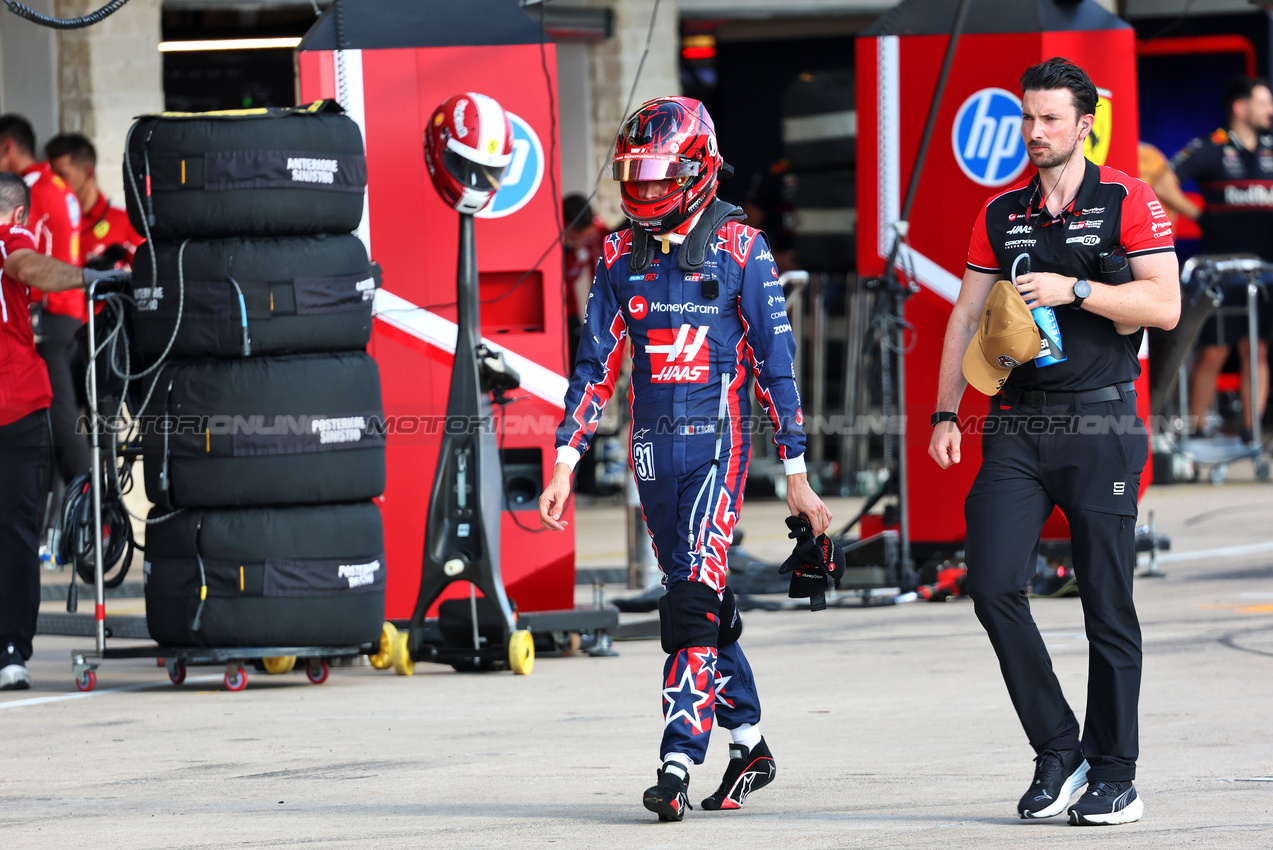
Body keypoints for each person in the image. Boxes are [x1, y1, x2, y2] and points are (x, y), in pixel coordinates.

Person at [538, 96, 831, 821]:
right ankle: (751, 742)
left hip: (715, 448)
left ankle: (675, 760)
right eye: (633, 173)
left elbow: (776, 365)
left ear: (697, 169)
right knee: (693, 598)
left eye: (657, 172)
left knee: (691, 602)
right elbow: (594, 366)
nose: (642, 187)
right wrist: (565, 461)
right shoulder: (614, 255)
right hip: (648, 454)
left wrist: (795, 472)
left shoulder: (740, 249)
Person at [929, 58, 1180, 826]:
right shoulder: (1001, 212)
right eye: (1027, 119)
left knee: (1106, 604)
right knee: (992, 584)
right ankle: (1058, 751)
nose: (1035, 133)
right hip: (1015, 422)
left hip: (1102, 423)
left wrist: (1076, 290)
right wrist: (945, 412)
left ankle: (1115, 773)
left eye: (1049, 119)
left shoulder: (1126, 199)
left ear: (1082, 124)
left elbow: (1163, 304)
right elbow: (966, 315)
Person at [0, 172, 118, 690]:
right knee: (16, 533)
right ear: (22, 216)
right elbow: (26, 265)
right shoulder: (10, 234)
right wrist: (89, 278)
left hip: (15, 406)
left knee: (15, 532)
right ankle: (10, 653)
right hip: (15, 405)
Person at [1153, 76, 1273, 439]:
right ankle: (1198, 430)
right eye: (1263, 102)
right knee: (1214, 353)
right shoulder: (1213, 146)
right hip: (1221, 273)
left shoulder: (1270, 147)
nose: (1270, 110)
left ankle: (1252, 433)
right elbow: (1161, 182)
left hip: (1264, 273)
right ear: (1240, 108)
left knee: (1258, 352)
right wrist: (1199, 214)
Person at [0, 115, 89, 499]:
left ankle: (92, 511)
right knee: (55, 420)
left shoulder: (28, 189)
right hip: (69, 315)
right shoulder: (58, 184)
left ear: (7, 148)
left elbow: (24, 260)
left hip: (48, 315)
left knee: (59, 419)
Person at [46, 132, 142, 270]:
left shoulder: (125, 218)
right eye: (52, 176)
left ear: (88, 173)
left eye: (62, 175)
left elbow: (148, 280)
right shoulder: (47, 219)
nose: (55, 183)